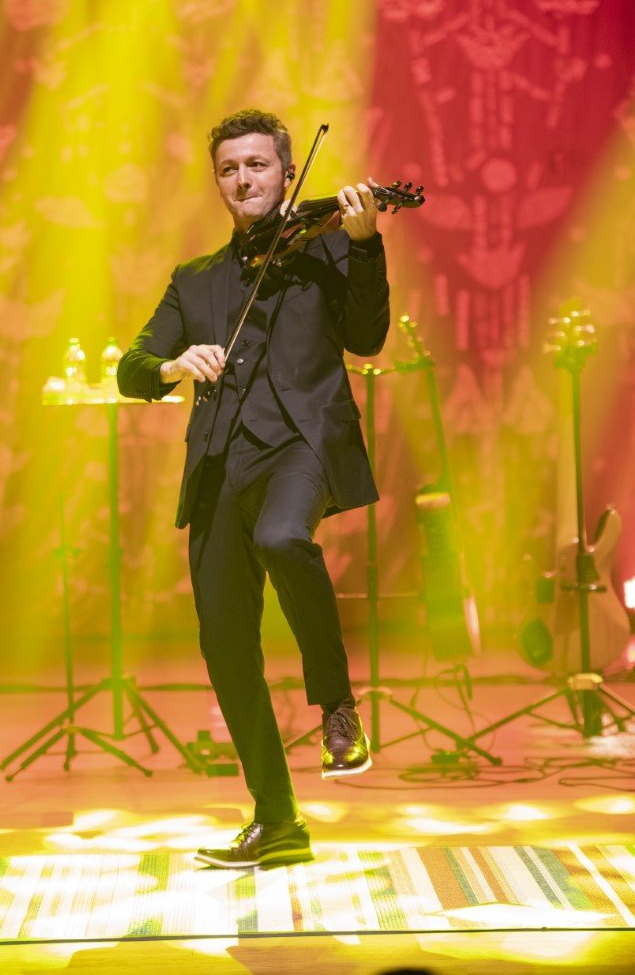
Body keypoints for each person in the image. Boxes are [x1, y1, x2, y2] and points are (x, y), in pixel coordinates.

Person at [117, 109, 389, 868]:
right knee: (226, 647)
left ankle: (337, 706)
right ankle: (278, 820)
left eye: (258, 166)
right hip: (218, 467)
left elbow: (367, 338)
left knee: (282, 536)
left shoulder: (327, 249)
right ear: (218, 182)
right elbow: (132, 367)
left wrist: (366, 246)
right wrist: (173, 366)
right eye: (230, 169)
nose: (244, 180)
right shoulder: (195, 279)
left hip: (301, 447)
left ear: (287, 172)